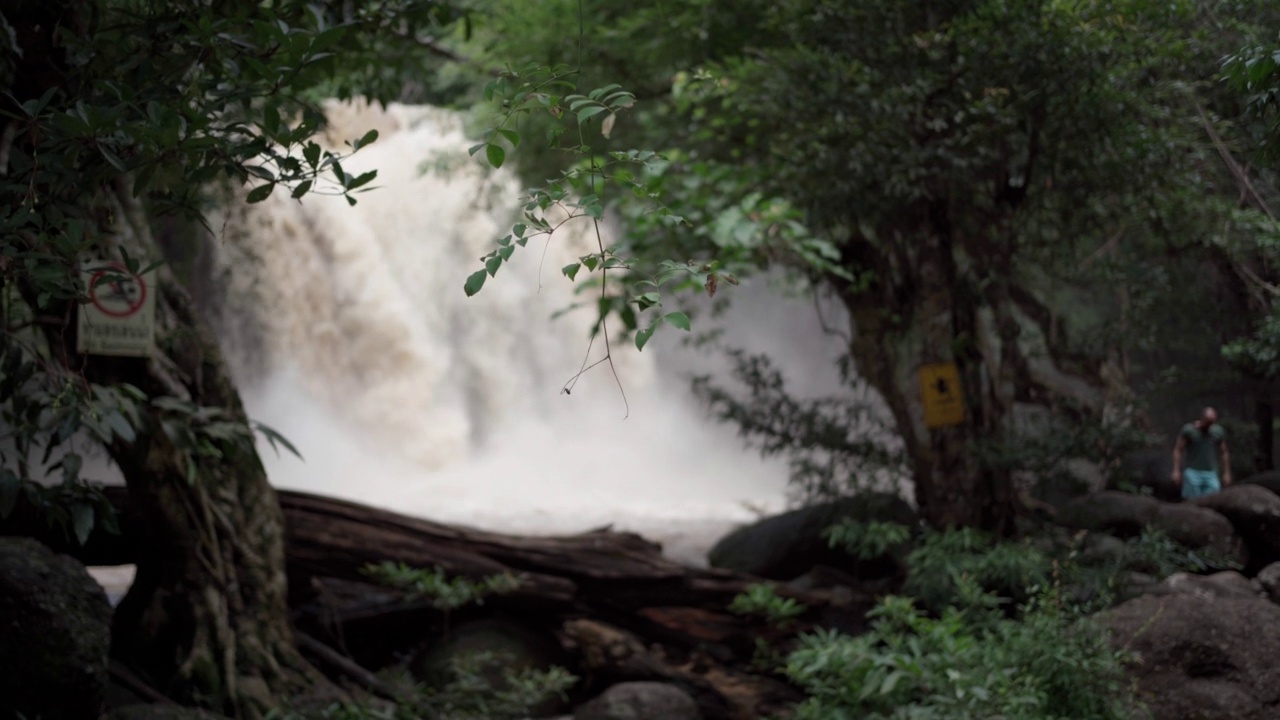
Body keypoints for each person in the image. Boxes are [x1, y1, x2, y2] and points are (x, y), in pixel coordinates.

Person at [1170, 407, 1231, 499]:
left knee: (1213, 498)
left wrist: (1227, 473)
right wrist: (1176, 470)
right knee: (1193, 501)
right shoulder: (1189, 430)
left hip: (1211, 473)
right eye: (1207, 421)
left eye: (1212, 422)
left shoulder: (1217, 432)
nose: (1209, 425)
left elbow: (1224, 452)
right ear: (1202, 418)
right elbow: (1178, 450)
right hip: (1192, 472)